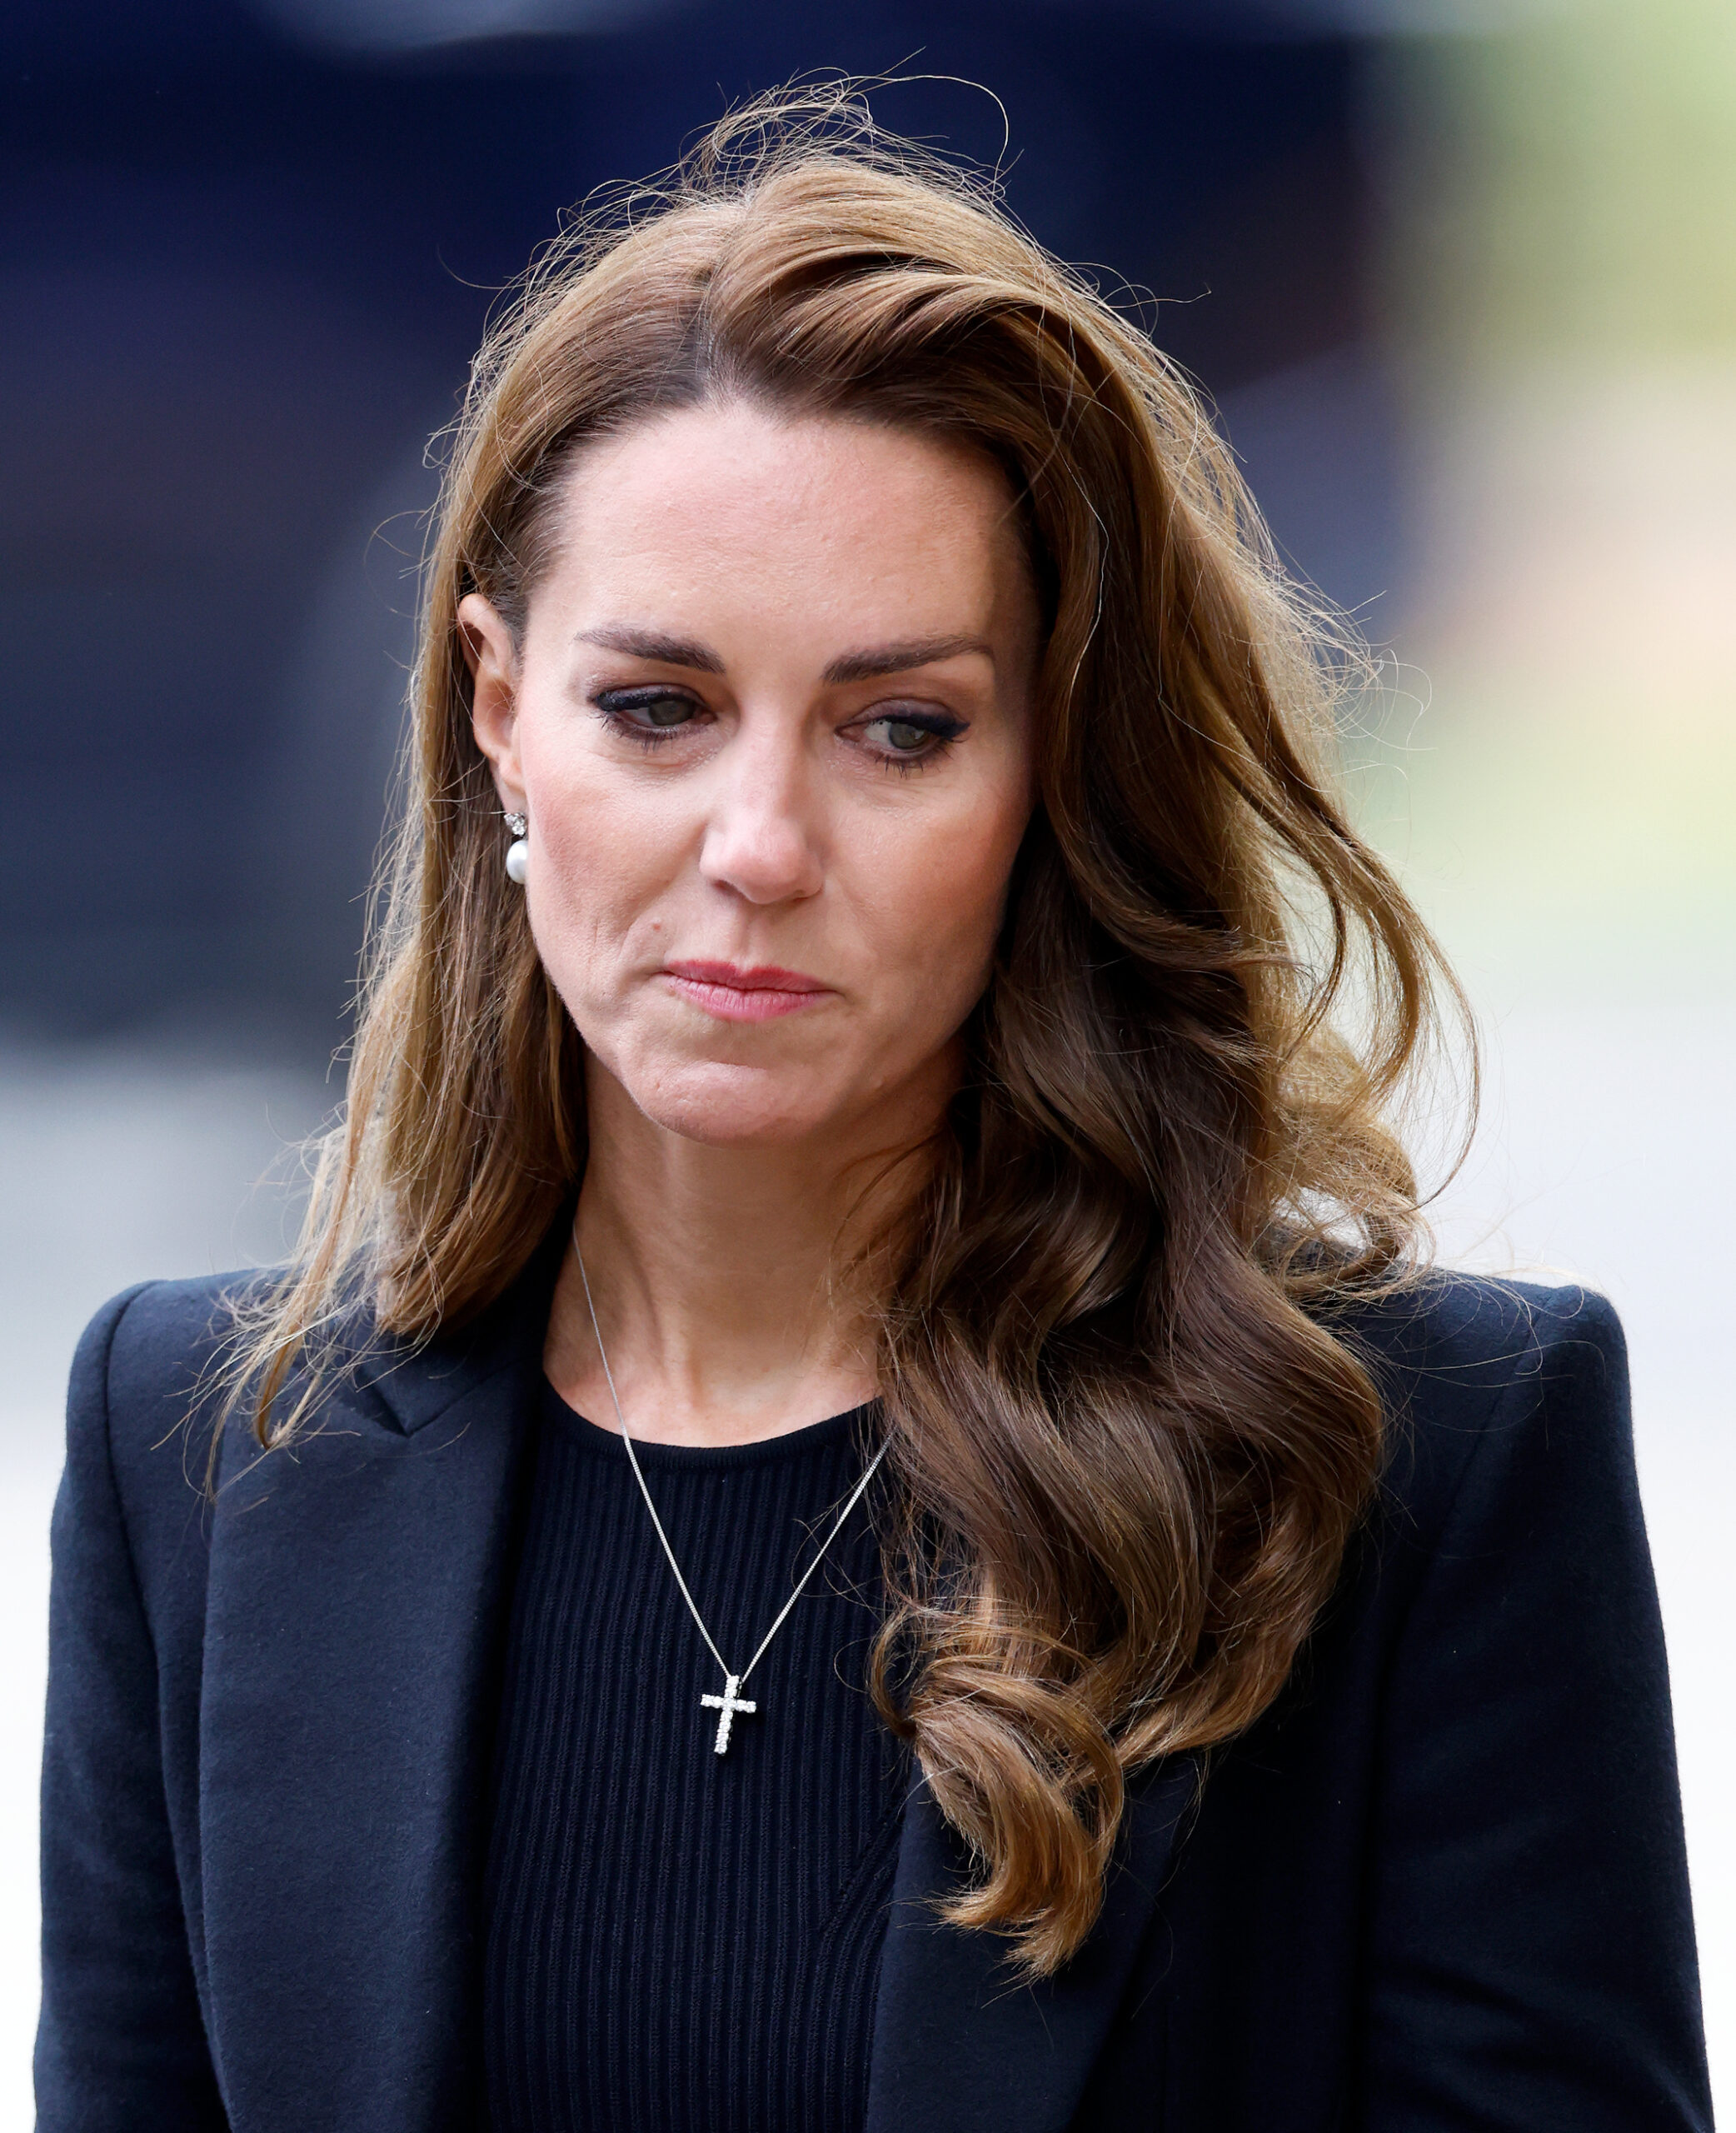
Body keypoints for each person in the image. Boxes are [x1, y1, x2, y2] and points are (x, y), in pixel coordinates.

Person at [36, 89, 1711, 2133]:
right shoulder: (201, 1449)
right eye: (656, 707)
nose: (757, 841)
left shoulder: (1412, 1457)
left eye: (898, 728)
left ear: (1048, 784)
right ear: (498, 716)